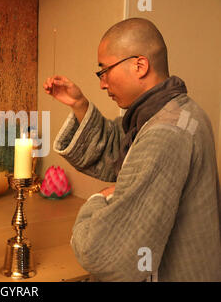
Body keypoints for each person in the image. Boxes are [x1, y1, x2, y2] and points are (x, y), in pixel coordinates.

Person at [43, 18, 220, 281]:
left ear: (139, 65)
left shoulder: (166, 132)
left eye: (104, 70)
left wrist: (99, 200)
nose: (102, 83)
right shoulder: (178, 111)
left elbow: (107, 253)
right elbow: (121, 150)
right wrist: (80, 105)